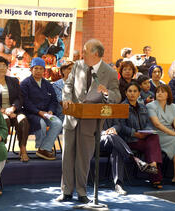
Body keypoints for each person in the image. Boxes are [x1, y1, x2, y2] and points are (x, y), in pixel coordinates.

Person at [58, 39, 121, 203]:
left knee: (84, 158)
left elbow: (117, 95)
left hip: (91, 121)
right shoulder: (78, 65)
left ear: (96, 54)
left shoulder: (110, 73)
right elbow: (68, 85)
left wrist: (107, 93)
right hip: (72, 116)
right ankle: (66, 191)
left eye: (85, 51)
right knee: (67, 156)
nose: (82, 54)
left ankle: (81, 191)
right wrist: (66, 99)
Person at [0, 56, 30, 162]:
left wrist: (13, 108)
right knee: (4, 119)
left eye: (4, 65)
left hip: (14, 110)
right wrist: (5, 111)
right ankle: (2, 150)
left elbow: (20, 98)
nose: (2, 68)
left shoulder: (13, 81)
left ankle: (23, 149)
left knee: (23, 120)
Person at [118, 82, 163, 189]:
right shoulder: (121, 107)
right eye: (130, 91)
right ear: (126, 93)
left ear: (139, 94)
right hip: (130, 139)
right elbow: (120, 126)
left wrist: (145, 132)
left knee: (154, 137)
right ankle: (155, 177)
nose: (132, 94)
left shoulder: (143, 107)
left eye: (135, 91)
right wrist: (135, 133)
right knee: (152, 146)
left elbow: (148, 123)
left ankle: (152, 166)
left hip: (143, 138)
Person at [20, 57, 62, 161]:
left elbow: (53, 100)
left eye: (41, 69)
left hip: (47, 114)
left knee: (57, 122)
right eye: (36, 68)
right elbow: (25, 102)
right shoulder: (25, 83)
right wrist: (39, 112)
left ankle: (44, 148)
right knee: (41, 123)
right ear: (31, 69)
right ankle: (42, 149)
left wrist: (51, 110)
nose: (38, 71)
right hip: (31, 114)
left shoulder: (47, 84)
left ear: (44, 70)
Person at [100, 120, 158, 195]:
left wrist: (113, 129)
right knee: (111, 136)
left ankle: (118, 185)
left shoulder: (111, 108)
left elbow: (118, 124)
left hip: (114, 140)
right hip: (97, 139)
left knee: (117, 149)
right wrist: (104, 132)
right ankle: (134, 159)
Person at [147, 84, 175, 185]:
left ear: (168, 95)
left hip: (171, 134)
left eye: (162, 91)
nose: (159, 93)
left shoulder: (172, 106)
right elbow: (157, 124)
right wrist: (173, 133)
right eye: (157, 91)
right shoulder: (150, 106)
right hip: (156, 134)